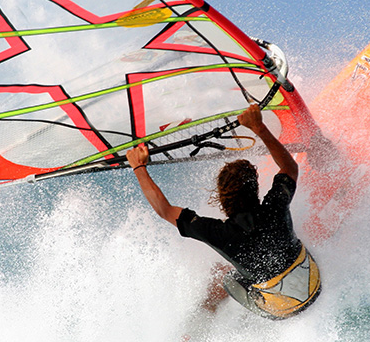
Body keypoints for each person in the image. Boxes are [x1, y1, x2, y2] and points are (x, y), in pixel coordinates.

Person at [126, 103, 321, 320]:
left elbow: (164, 210)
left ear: (221, 198)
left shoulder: (217, 233)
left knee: (223, 276)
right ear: (256, 190)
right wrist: (259, 127)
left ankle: (208, 311)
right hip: (314, 283)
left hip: (280, 310)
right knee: (282, 253)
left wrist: (138, 167)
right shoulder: (275, 206)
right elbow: (290, 168)